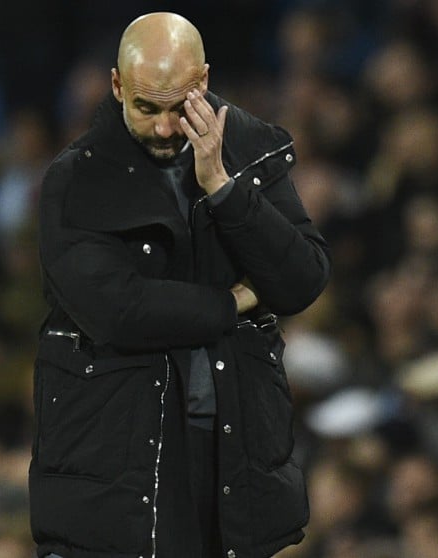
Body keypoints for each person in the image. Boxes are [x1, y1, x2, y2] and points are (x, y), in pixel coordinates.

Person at [30, 12, 331, 558]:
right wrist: (230, 300)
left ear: (206, 81)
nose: (166, 128)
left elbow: (302, 280)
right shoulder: (76, 179)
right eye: (147, 108)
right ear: (117, 85)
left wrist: (223, 187)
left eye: (180, 106)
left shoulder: (251, 150)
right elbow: (117, 310)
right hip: (115, 465)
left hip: (236, 453)